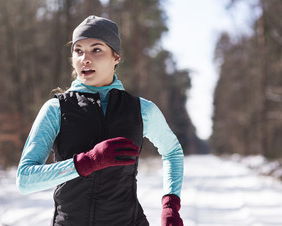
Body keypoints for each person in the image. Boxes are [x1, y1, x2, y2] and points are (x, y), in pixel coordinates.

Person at [16, 15, 184, 226]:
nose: (85, 58)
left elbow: (172, 152)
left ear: (116, 57)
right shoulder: (57, 109)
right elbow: (25, 179)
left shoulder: (141, 110)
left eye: (96, 49)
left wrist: (170, 204)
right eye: (78, 50)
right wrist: (87, 162)